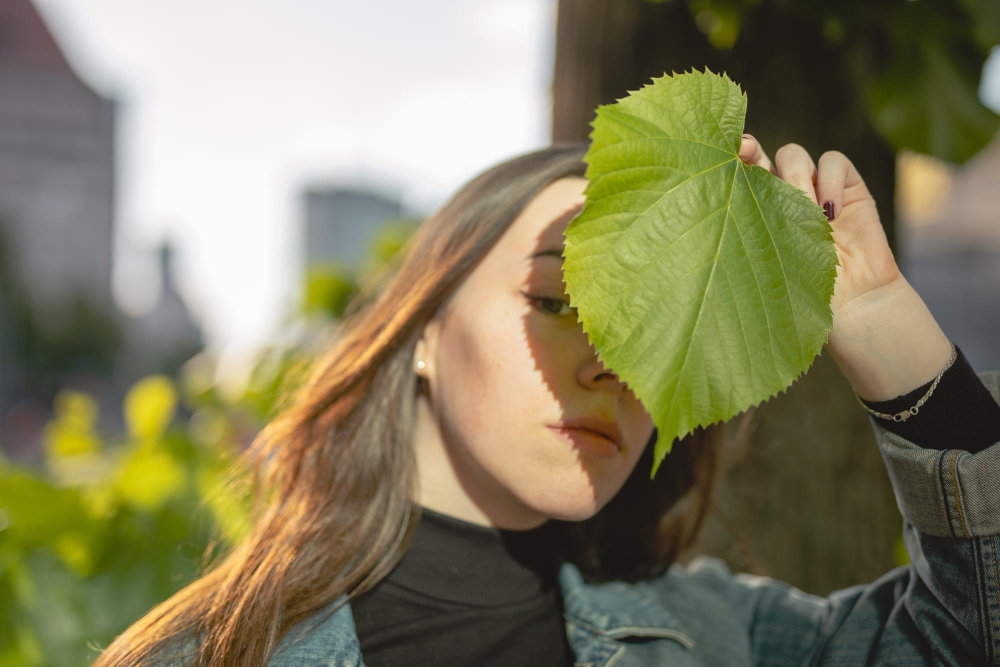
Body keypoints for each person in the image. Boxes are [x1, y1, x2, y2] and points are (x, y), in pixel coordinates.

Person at [93, 137, 1000, 667]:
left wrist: (889, 333)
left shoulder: (723, 637)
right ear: (419, 330)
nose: (617, 363)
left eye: (656, 331)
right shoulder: (207, 654)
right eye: (561, 302)